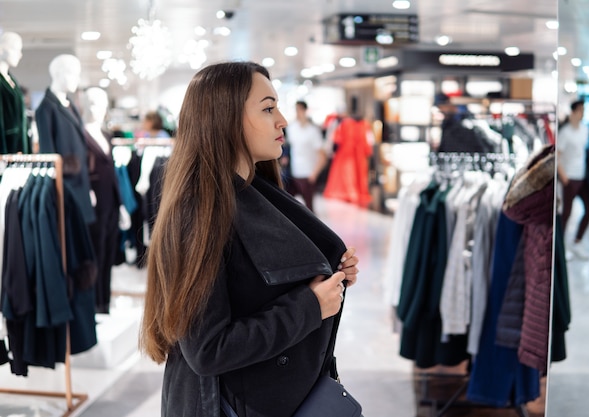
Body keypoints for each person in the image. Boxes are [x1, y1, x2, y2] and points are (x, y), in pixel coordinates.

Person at [139, 61, 360, 417]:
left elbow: (257, 283)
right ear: (226, 117)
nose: (282, 121)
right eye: (268, 108)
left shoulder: (256, 191)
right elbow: (208, 350)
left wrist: (330, 273)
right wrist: (309, 306)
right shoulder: (202, 210)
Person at [82, 87, 131, 314]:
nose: (98, 109)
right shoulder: (81, 135)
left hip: (111, 202)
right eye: (92, 103)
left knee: (109, 251)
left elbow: (112, 174)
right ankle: (94, 303)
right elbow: (82, 170)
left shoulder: (106, 136)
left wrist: (121, 204)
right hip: (94, 204)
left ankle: (104, 302)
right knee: (95, 252)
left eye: (101, 104)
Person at [36, 54, 96, 225]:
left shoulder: (70, 106)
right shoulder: (46, 109)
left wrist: (88, 187)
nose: (77, 79)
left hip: (80, 183)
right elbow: (48, 156)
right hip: (66, 188)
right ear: (58, 73)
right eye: (73, 73)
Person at [556, 99, 589, 260]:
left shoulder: (585, 130)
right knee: (566, 214)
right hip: (569, 177)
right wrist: (564, 177)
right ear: (573, 112)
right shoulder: (565, 133)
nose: (582, 113)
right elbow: (557, 157)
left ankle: (577, 241)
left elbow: (585, 151)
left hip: (582, 176)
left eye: (583, 110)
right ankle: (561, 246)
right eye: (579, 110)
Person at [284, 100, 327, 212]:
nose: (298, 113)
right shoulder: (291, 128)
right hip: (293, 173)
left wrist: (314, 174)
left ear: (305, 111)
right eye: (296, 110)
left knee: (309, 208)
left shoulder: (313, 131)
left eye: (300, 110)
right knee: (289, 205)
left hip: (308, 174)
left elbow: (322, 156)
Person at [0, 31, 31, 154]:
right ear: (2, 49)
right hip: (6, 149)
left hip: (18, 148)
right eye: (15, 49)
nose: (20, 55)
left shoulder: (11, 80)